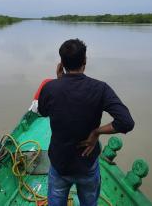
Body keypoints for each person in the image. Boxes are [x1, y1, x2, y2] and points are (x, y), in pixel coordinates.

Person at [37, 39, 135, 206]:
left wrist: (59, 81)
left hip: (60, 165)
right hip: (87, 164)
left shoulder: (50, 88)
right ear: (85, 61)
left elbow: (43, 112)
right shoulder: (101, 88)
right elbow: (126, 122)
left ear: (62, 64)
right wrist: (96, 132)